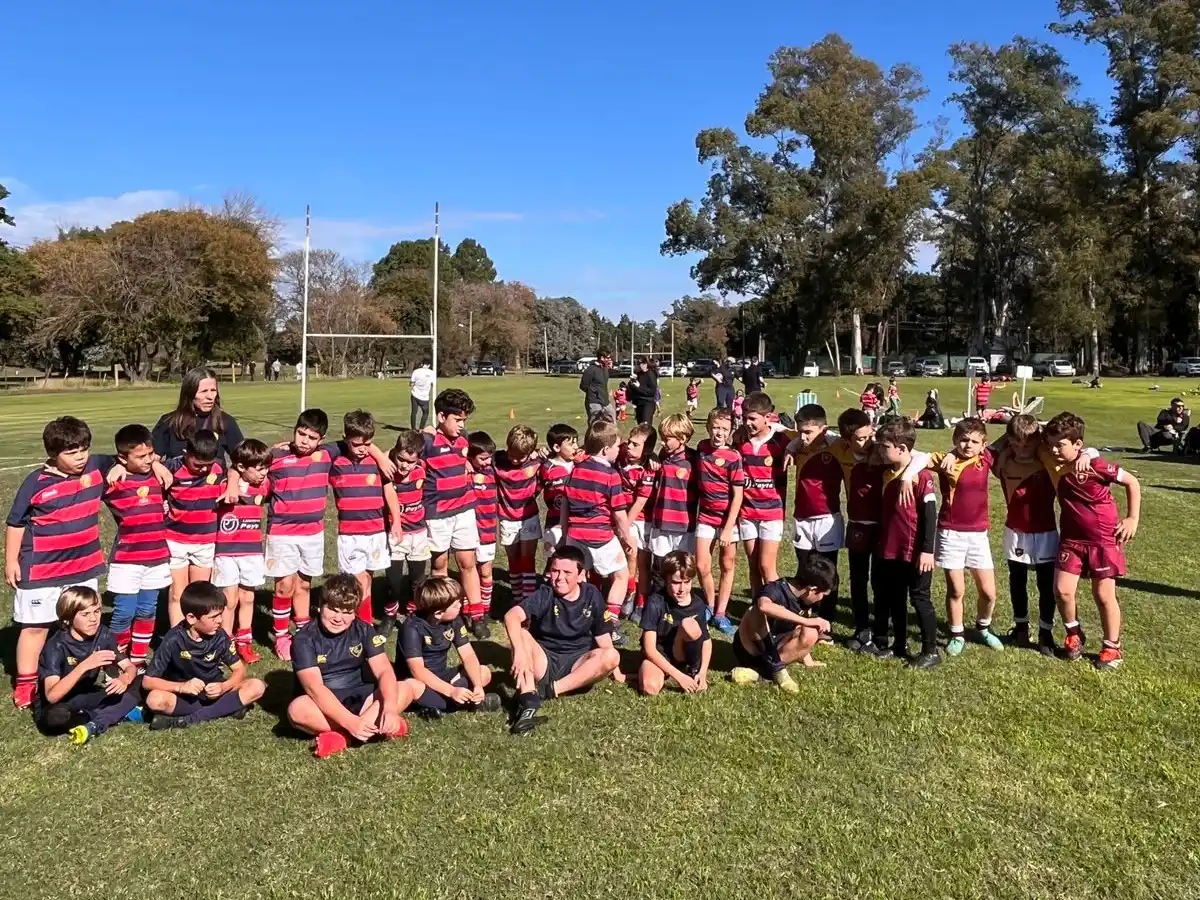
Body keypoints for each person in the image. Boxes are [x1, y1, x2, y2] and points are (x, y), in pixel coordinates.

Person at [6, 417, 112, 709]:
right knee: (36, 627)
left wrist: (155, 466)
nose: (80, 457)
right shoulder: (35, 482)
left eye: (84, 449)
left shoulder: (96, 466)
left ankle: (79, 669)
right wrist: (11, 561)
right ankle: (26, 683)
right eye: (71, 452)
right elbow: (15, 523)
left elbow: (132, 454)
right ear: (54, 454)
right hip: (41, 568)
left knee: (81, 621)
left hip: (83, 566)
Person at [1043, 412, 1141, 670]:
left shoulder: (1095, 466)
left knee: (1103, 594)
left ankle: (1112, 648)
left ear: (1077, 444)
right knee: (1062, 591)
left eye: (1060, 445)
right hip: (1071, 541)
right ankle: (1074, 634)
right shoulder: (1054, 462)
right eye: (1051, 444)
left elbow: (1132, 482)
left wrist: (1132, 518)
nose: (1054, 449)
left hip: (1103, 540)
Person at [287, 574, 411, 758]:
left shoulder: (364, 629)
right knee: (296, 710)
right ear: (321, 605)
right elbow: (315, 689)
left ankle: (344, 737)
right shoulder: (304, 639)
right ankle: (370, 727)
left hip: (362, 697)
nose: (338, 618)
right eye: (333, 609)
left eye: (346, 612)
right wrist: (350, 721)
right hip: (323, 705)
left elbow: (384, 670)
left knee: (404, 688)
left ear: (355, 612)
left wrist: (390, 709)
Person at [504, 545, 620, 736]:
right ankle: (528, 700)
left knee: (612, 655)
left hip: (577, 664)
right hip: (544, 661)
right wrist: (520, 654)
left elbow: (603, 637)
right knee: (522, 634)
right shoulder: (544, 593)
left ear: (581, 575)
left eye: (567, 572)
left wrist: (616, 671)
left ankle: (549, 691)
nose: (559, 578)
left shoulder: (592, 595)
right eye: (555, 571)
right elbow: (511, 616)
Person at [142, 582, 266, 730]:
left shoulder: (220, 636)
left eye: (221, 614)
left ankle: (186, 720)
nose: (220, 620)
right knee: (154, 700)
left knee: (257, 686)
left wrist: (223, 686)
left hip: (216, 693)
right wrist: (182, 687)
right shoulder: (173, 639)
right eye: (214, 617)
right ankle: (227, 709)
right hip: (185, 697)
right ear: (192, 618)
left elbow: (239, 670)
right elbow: (148, 681)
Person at [929, 418, 1003, 655]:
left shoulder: (986, 458)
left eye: (974, 441)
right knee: (956, 590)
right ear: (954, 440)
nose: (968, 445)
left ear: (983, 444)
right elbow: (913, 457)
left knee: (989, 593)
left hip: (978, 535)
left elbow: (1013, 436)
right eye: (962, 440)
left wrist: (1089, 452)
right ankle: (956, 633)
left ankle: (983, 628)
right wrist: (949, 454)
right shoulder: (944, 460)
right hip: (950, 533)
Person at [103, 424, 173, 667]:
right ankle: (116, 658)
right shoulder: (114, 479)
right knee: (123, 611)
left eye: (150, 454)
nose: (147, 460)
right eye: (140, 456)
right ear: (123, 457)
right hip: (127, 558)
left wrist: (156, 463)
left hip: (157, 556)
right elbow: (93, 461)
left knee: (147, 610)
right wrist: (117, 465)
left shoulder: (158, 474)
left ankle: (138, 658)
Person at [872, 418, 940, 668]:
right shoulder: (887, 473)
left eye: (885, 447)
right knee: (895, 598)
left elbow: (930, 514)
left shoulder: (921, 477)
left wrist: (927, 550)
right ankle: (899, 645)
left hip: (916, 552)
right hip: (891, 549)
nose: (880, 451)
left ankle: (931, 651)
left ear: (901, 448)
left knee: (920, 599)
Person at [37, 586, 143, 745]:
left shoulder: (102, 634)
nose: (93, 619)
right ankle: (109, 714)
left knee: (142, 681)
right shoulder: (56, 646)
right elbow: (52, 696)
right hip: (60, 704)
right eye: (85, 614)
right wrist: (84, 666)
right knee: (55, 717)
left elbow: (129, 666)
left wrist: (125, 678)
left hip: (88, 696)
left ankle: (95, 716)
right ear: (68, 617)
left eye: (97, 611)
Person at [991, 415, 1060, 656]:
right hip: (1016, 531)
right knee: (1017, 581)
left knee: (1046, 584)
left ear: (1038, 441)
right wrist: (1008, 444)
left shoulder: (1048, 460)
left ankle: (1045, 633)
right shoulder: (1002, 463)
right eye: (1016, 444)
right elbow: (989, 448)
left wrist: (1036, 437)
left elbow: (1081, 449)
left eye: (1028, 443)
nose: (1022, 449)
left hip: (1046, 532)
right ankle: (1021, 629)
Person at [562, 419, 634, 630]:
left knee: (580, 577)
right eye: (617, 447)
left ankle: (578, 617)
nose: (619, 451)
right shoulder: (611, 475)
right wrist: (627, 537)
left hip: (575, 535)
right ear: (605, 449)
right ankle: (610, 621)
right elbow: (619, 515)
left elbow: (565, 504)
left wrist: (566, 534)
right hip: (600, 536)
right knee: (621, 575)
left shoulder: (575, 470)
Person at [788, 404, 854, 629]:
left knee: (827, 571)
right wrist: (791, 446)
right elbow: (776, 429)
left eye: (808, 432)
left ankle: (826, 619)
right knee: (804, 568)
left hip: (827, 519)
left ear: (823, 429)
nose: (803, 437)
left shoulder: (836, 445)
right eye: (800, 432)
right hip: (801, 518)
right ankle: (804, 614)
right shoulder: (798, 444)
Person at [729, 555, 835, 693]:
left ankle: (760, 674)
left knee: (811, 632)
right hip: (751, 650)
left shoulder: (806, 600)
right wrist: (807, 621)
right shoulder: (776, 589)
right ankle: (777, 671)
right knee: (755, 611)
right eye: (822, 595)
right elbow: (763, 606)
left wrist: (807, 659)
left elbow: (800, 624)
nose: (821, 599)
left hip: (776, 649)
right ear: (812, 589)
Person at [422, 389, 483, 627]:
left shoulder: (464, 438)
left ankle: (476, 614)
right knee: (440, 565)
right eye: (456, 420)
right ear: (440, 417)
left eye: (463, 421)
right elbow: (398, 455)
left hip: (464, 509)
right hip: (437, 514)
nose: (460, 425)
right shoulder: (426, 441)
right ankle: (444, 610)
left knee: (468, 562)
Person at [330, 410, 395, 627]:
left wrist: (396, 520)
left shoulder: (378, 462)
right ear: (345, 438)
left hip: (376, 531)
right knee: (357, 582)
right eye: (356, 444)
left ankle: (362, 625)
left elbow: (389, 490)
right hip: (350, 533)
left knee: (367, 580)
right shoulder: (336, 459)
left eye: (367, 444)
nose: (362, 450)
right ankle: (359, 623)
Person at [400, 576, 500, 716]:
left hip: (443, 678)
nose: (461, 605)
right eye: (456, 604)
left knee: (483, 672)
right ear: (439, 613)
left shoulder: (454, 620)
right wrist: (451, 691)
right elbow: (418, 671)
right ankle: (458, 703)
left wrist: (477, 685)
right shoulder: (412, 628)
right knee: (411, 686)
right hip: (421, 681)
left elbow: (468, 655)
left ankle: (442, 704)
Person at [213, 438, 271, 664]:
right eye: (258, 469)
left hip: (252, 552)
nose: (263, 473)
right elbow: (230, 472)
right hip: (226, 552)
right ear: (240, 467)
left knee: (248, 598)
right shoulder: (225, 485)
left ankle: (244, 642)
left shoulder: (264, 485)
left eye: (265, 468)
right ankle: (225, 643)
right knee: (229, 599)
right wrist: (232, 482)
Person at [162, 429, 224, 627]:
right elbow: (151, 475)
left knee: (199, 593)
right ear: (186, 453)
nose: (204, 470)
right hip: (175, 539)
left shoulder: (218, 469)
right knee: (177, 594)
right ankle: (177, 639)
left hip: (205, 541)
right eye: (198, 465)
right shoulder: (171, 468)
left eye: (208, 465)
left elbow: (236, 469)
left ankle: (197, 637)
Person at [734, 392, 792, 599]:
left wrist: (790, 443)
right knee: (753, 564)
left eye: (752, 419)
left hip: (772, 512)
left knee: (767, 566)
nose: (747, 423)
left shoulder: (781, 441)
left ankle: (777, 608)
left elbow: (802, 438)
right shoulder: (740, 441)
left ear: (768, 417)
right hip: (747, 512)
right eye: (744, 418)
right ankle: (758, 608)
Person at [694, 408, 743, 636]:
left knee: (727, 565)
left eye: (724, 429)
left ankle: (721, 613)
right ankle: (709, 605)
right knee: (702, 565)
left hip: (727, 521)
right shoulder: (702, 449)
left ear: (731, 430)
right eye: (715, 427)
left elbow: (738, 495)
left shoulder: (734, 457)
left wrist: (727, 528)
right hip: (705, 516)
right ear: (708, 428)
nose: (719, 433)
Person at [638, 551, 712, 695]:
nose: (682, 589)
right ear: (666, 580)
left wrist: (703, 673)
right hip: (660, 654)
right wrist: (679, 677)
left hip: (684, 655)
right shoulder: (655, 602)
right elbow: (649, 649)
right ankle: (665, 672)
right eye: (676, 583)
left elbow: (707, 641)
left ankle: (692, 669)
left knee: (688, 625)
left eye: (687, 582)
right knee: (650, 688)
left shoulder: (698, 604)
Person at [382, 430, 430, 632]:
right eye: (401, 459)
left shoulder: (422, 467)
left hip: (418, 533)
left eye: (410, 462)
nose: (404, 465)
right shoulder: (387, 469)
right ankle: (390, 615)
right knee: (393, 581)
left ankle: (412, 613)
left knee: (417, 580)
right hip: (395, 533)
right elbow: (381, 455)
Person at [495, 425, 543, 608]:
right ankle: (517, 597)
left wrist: (541, 452)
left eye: (520, 456)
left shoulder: (537, 460)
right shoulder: (497, 460)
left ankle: (528, 600)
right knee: (513, 560)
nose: (514, 460)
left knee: (527, 559)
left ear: (530, 452)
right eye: (511, 454)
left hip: (528, 517)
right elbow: (477, 454)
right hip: (507, 519)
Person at [151, 366, 244, 462]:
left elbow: (244, 460)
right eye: (203, 391)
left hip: (215, 477)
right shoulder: (169, 422)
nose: (210, 397)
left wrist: (233, 474)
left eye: (213, 390)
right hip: (177, 476)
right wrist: (156, 465)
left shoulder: (225, 421)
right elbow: (151, 459)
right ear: (189, 393)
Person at [648, 414, 698, 566]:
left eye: (667, 439)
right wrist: (652, 456)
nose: (662, 442)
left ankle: (682, 591)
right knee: (659, 567)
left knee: (682, 567)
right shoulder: (663, 457)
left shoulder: (694, 460)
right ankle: (659, 591)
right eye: (662, 437)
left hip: (684, 525)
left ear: (682, 439)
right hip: (661, 522)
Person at [620, 423, 658, 622]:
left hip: (640, 519)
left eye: (635, 445)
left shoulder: (648, 470)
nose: (629, 447)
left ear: (648, 449)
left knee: (640, 562)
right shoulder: (620, 457)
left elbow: (641, 500)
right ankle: (626, 594)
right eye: (629, 442)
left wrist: (625, 526)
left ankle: (639, 601)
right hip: (620, 516)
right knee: (626, 559)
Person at [466, 431, 498, 638]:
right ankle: (469, 611)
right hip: (468, 531)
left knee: (485, 573)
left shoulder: (494, 472)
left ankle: (484, 611)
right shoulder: (464, 472)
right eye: (482, 458)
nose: (487, 462)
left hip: (487, 531)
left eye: (489, 458)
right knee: (468, 572)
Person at [540, 423, 580, 555]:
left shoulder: (579, 464)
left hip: (575, 519)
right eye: (571, 444)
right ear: (557, 447)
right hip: (555, 521)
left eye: (576, 442)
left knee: (574, 555)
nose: (576, 447)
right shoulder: (546, 467)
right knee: (554, 555)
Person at [578, 350, 614, 421]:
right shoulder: (591, 370)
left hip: (605, 401)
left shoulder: (605, 369)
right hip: (594, 402)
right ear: (602, 358)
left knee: (612, 419)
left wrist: (610, 368)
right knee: (596, 424)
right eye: (608, 358)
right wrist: (593, 392)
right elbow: (583, 386)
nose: (610, 360)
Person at [628, 358, 659, 426]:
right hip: (639, 403)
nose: (639, 366)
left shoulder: (651, 374)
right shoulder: (638, 374)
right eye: (638, 364)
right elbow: (632, 390)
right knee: (640, 426)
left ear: (646, 364)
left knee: (646, 426)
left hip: (648, 403)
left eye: (641, 364)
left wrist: (639, 387)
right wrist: (631, 383)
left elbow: (652, 392)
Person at [409, 358, 435, 430]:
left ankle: (413, 429)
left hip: (415, 395)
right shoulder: (432, 373)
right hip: (424, 397)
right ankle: (421, 429)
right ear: (429, 365)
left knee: (414, 412)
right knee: (425, 413)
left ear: (422, 364)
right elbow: (433, 384)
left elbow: (411, 383)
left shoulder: (416, 371)